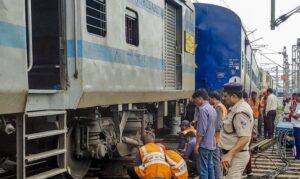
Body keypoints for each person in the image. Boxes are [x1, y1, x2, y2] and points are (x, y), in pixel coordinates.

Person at [219, 82, 254, 179]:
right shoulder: (236, 108)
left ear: (234, 96)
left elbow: (244, 138)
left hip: (236, 156)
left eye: (225, 96)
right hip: (232, 155)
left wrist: (229, 155)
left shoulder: (240, 112)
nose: (223, 98)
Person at [192, 89, 217, 179]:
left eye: (195, 100)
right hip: (211, 143)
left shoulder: (202, 109)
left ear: (200, 98)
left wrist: (197, 144)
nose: (195, 103)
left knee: (203, 169)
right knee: (210, 165)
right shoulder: (212, 108)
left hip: (204, 143)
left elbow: (202, 130)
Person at [208, 91, 227, 179]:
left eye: (209, 98)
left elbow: (218, 125)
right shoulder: (222, 107)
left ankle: (218, 177)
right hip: (220, 137)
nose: (208, 100)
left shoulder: (218, 108)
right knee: (217, 159)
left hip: (216, 138)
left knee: (215, 160)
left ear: (213, 98)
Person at [291, 93, 300, 160]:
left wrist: (292, 114)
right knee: (297, 141)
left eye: (297, 97)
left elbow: (297, 116)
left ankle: (298, 156)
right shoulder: (298, 105)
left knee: (298, 141)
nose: (296, 98)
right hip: (296, 125)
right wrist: (292, 110)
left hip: (298, 126)